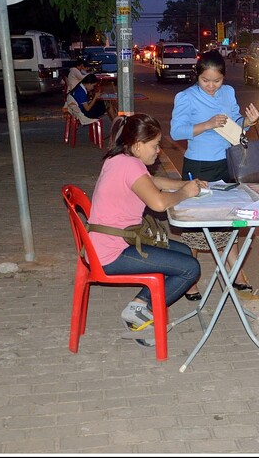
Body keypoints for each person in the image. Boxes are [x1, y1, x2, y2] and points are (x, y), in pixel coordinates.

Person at [88, 113, 203, 348]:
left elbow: (153, 183)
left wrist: (184, 184)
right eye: (155, 145)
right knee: (190, 268)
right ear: (138, 145)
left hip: (108, 243)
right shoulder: (129, 165)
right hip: (111, 253)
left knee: (183, 252)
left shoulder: (120, 158)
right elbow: (159, 203)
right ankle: (139, 312)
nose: (158, 150)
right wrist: (185, 193)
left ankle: (141, 305)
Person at [170, 49, 259, 299]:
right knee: (195, 224)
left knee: (228, 218)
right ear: (197, 76)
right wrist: (207, 124)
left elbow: (235, 126)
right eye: (205, 81)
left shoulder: (228, 93)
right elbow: (177, 132)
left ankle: (235, 271)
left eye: (217, 81)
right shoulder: (186, 97)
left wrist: (249, 122)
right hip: (199, 165)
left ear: (224, 78)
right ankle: (189, 278)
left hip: (227, 163)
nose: (211, 86)